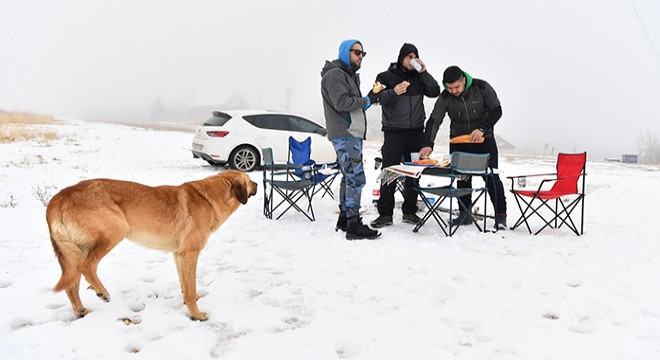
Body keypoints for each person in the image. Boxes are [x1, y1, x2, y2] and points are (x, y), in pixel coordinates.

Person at [420, 65, 507, 229]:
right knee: (462, 178)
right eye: (449, 88)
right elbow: (434, 120)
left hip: (484, 141)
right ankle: (464, 214)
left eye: (456, 87)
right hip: (459, 143)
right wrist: (427, 144)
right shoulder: (446, 97)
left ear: (464, 80)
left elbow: (497, 110)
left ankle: (501, 216)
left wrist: (482, 128)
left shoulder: (481, 87)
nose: (453, 91)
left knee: (492, 178)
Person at [369, 43, 440, 228]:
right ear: (401, 58)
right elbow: (374, 97)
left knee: (414, 174)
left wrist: (424, 72)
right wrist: (393, 92)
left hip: (416, 132)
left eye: (415, 56)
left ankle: (409, 211)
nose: (412, 60)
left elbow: (435, 91)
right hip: (393, 132)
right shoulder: (385, 76)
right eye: (409, 56)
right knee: (389, 173)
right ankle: (385, 214)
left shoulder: (419, 78)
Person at [321, 39, 381, 240]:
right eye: (357, 53)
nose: (360, 57)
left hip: (351, 133)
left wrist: (370, 98)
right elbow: (342, 103)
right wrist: (367, 100)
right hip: (345, 133)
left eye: (363, 53)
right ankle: (354, 225)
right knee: (356, 178)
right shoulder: (335, 75)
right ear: (346, 53)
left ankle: (345, 218)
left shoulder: (348, 76)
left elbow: (354, 104)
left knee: (349, 176)